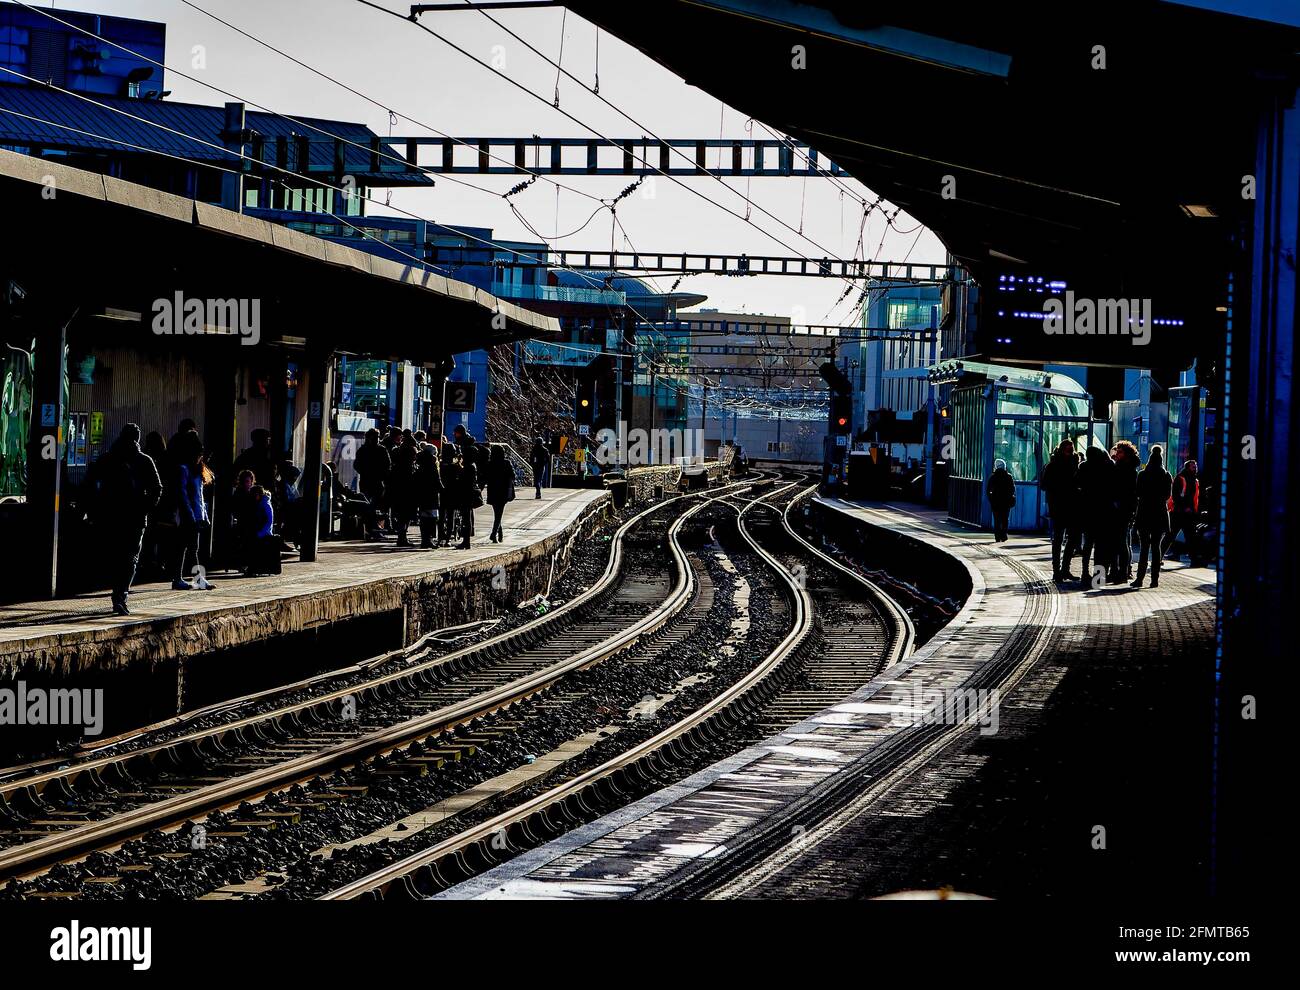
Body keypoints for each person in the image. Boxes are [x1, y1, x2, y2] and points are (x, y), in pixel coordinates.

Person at [90, 424, 163, 616]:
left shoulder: (107, 458)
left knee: (114, 554)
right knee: (130, 558)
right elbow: (157, 488)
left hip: (110, 516)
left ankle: (117, 593)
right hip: (135, 518)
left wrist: (95, 508)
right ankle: (120, 596)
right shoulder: (144, 460)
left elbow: (91, 482)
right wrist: (145, 507)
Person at [173, 441, 215, 591]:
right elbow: (184, 495)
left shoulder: (196, 470)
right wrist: (192, 514)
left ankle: (183, 578)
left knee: (189, 547)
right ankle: (191, 578)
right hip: (187, 515)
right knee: (187, 547)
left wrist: (203, 516)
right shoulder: (185, 470)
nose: (200, 457)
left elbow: (200, 498)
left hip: (194, 516)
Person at [1132, 445, 1173, 588]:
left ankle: (1139, 579)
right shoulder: (1166, 475)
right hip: (1160, 513)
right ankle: (1154, 579)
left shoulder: (1142, 475)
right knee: (1156, 547)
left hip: (1144, 513)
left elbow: (1137, 493)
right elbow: (1168, 495)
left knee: (1144, 547)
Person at [1040, 439, 1080, 582]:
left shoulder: (1054, 465)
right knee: (1063, 539)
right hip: (1063, 506)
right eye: (1068, 449)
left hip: (1062, 506)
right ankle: (1060, 570)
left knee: (1062, 539)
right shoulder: (1067, 465)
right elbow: (1045, 485)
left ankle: (1061, 570)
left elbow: (1044, 485)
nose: (1070, 451)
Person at [1076, 444, 1116, 585]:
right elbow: (1113, 488)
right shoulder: (1108, 466)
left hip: (1087, 510)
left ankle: (1084, 573)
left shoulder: (1083, 467)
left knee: (1087, 544)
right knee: (1101, 546)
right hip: (1104, 511)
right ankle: (1099, 577)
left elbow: (1078, 485)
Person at [141, 430, 171, 580]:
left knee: (149, 537)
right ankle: (159, 563)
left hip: (149, 504)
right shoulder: (166, 459)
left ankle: (148, 563)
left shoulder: (146, 457)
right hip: (162, 504)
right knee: (162, 536)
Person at [1109, 440, 1140, 584]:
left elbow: (1126, 490)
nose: (1117, 454)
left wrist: (1118, 502)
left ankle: (1122, 572)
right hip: (1123, 509)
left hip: (1123, 509)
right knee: (1121, 541)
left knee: (1121, 542)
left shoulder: (1127, 469)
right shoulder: (1125, 467)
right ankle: (1122, 571)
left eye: (1120, 452)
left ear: (1126, 454)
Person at [354, 428, 390, 540]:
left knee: (372, 506)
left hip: (368, 481)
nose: (377, 439)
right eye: (375, 437)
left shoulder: (363, 450)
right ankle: (375, 530)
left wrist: (365, 472)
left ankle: (372, 530)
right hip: (375, 481)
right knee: (375, 506)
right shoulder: (381, 450)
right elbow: (387, 465)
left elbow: (357, 465)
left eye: (378, 437)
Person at [1166, 459, 1200, 562]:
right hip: (1179, 513)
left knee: (1190, 537)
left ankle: (1194, 559)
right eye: (1193, 467)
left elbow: (1194, 497)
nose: (1195, 468)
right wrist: (1185, 507)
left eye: (1195, 467)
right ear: (1188, 467)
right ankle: (1158, 556)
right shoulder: (1180, 478)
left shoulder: (1195, 480)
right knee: (1171, 535)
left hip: (1189, 514)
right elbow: (1175, 495)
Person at [389, 431, 419, 546]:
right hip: (408, 492)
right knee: (406, 515)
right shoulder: (410, 468)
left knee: (401, 514)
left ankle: (401, 536)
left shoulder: (397, 456)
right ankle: (402, 537)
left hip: (397, 490)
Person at [244, 484, 281, 576]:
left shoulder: (265, 504)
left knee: (256, 548)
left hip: (265, 533)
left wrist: (261, 533)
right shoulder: (258, 503)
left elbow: (269, 520)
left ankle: (254, 569)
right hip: (259, 531)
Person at [229, 469, 258, 573]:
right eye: (246, 481)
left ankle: (247, 564)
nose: (248, 484)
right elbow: (237, 508)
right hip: (244, 522)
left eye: (249, 481)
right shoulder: (240, 493)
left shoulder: (250, 492)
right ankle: (243, 564)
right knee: (245, 543)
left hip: (249, 521)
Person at [414, 443, 443, 549]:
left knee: (423, 518)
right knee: (432, 519)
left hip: (421, 494)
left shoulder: (420, 464)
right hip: (432, 495)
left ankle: (424, 539)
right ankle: (429, 540)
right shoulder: (432, 465)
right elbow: (437, 481)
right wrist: (442, 490)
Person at [485, 444, 516, 543]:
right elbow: (513, 475)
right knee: (499, 514)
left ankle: (500, 534)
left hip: (493, 491)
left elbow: (486, 477)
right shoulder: (506, 463)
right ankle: (494, 534)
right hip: (503, 491)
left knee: (497, 514)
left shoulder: (489, 463)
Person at [455, 443, 482, 549]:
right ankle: (466, 540)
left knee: (466, 518)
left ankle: (466, 541)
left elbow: (463, 480)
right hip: (469, 494)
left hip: (466, 494)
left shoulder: (468, 467)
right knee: (467, 518)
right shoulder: (472, 465)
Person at [986, 458, 1016, 543]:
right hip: (1006, 502)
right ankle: (1003, 534)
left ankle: (997, 536)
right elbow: (1012, 488)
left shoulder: (993, 477)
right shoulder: (1008, 476)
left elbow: (988, 490)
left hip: (995, 502)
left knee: (996, 519)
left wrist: (991, 499)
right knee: (1005, 519)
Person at [438, 443, 461, 547]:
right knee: (451, 515)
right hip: (453, 493)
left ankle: (440, 537)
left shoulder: (440, 465)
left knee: (441, 516)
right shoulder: (456, 466)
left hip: (442, 493)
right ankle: (447, 538)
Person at [529, 435, 548, 500]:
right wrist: (544, 463)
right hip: (541, 466)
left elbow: (531, 457)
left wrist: (532, 463)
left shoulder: (534, 449)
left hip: (535, 466)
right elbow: (547, 458)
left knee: (536, 479)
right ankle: (538, 492)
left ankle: (538, 492)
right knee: (539, 479)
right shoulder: (544, 450)